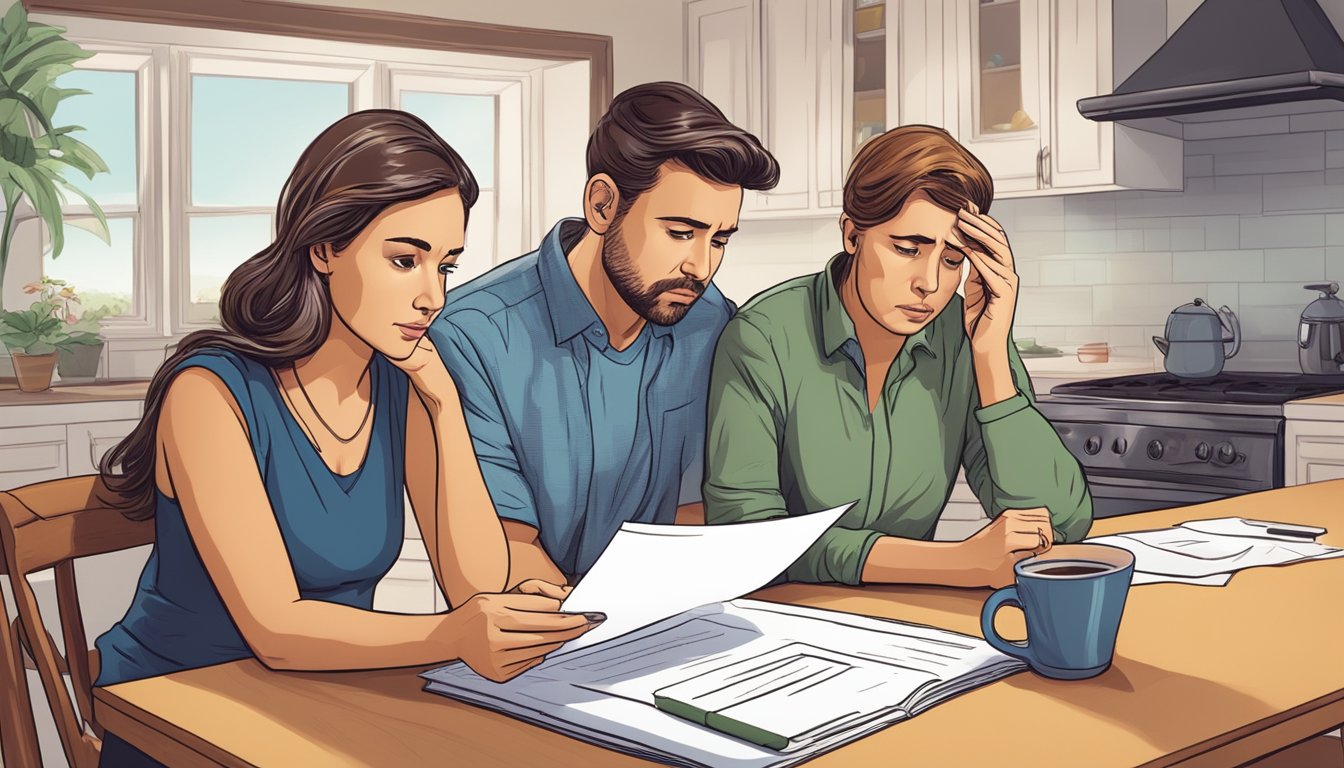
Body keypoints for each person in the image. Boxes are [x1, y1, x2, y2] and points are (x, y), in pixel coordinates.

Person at [94, 111, 597, 766]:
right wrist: (451, 634)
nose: (431, 296)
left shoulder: (400, 383)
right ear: (325, 247)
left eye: (444, 266)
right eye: (404, 259)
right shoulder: (211, 393)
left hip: (318, 695)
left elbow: (478, 585)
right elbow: (277, 629)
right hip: (181, 712)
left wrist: (445, 406)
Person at [704, 124, 1092, 588]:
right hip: (784, 618)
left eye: (952, 260)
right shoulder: (762, 338)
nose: (929, 283)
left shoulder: (965, 334)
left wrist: (990, 357)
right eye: (908, 249)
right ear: (852, 235)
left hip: (912, 618)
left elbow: (1059, 523)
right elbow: (748, 539)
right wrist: (955, 564)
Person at [431, 82, 779, 585]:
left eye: (719, 239)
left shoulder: (709, 322)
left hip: (670, 620)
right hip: (541, 638)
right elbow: (504, 547)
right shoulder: (474, 336)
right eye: (680, 232)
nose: (701, 266)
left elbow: (698, 508)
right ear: (602, 205)